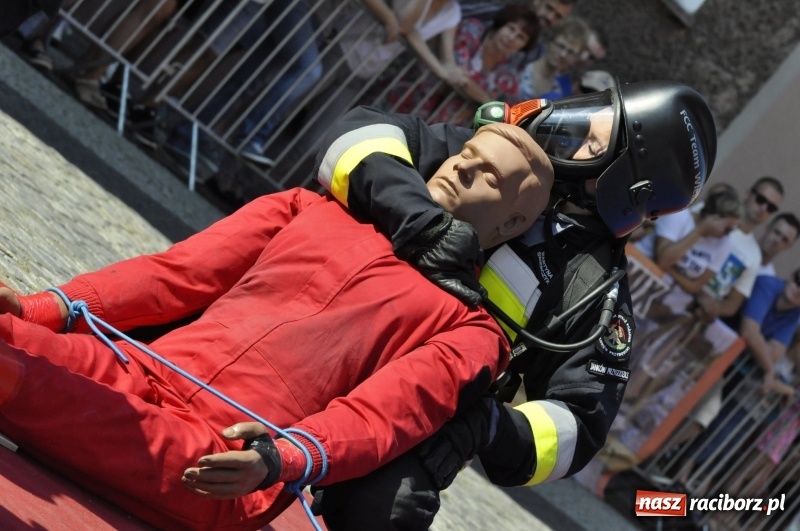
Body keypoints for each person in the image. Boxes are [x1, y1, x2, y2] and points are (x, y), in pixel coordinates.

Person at [0, 123, 554, 530]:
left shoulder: (472, 333)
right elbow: (176, 275)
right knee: (19, 345)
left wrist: (283, 459)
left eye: (489, 176)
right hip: (137, 367)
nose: (461, 167)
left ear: (510, 223)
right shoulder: (310, 208)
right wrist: (39, 309)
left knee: (33, 384)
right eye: (466, 153)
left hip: (226, 453)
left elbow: (381, 417)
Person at [285, 80, 717, 529]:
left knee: (391, 507)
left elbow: (577, 428)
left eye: (595, 141)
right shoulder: (500, 158)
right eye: (590, 119)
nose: (574, 128)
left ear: (626, 185)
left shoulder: (593, 288)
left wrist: (485, 426)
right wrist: (423, 224)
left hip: (407, 408)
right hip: (322, 325)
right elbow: (354, 136)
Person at [516, 16, 592, 101]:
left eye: (571, 52)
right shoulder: (520, 64)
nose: (563, 54)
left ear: (575, 59)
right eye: (560, 46)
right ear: (550, 41)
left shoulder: (557, 92)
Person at [756, 212, 800, 277]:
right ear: (767, 227)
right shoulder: (737, 243)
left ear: (789, 246)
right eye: (777, 232)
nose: (777, 240)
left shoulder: (768, 279)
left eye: (784, 240)